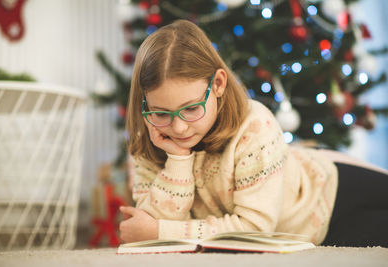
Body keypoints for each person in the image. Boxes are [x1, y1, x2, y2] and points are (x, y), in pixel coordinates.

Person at [119, 19, 388, 247]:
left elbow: (255, 230)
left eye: (190, 109)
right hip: (309, 220)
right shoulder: (151, 137)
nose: (177, 128)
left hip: (326, 195)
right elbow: (149, 233)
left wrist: (161, 232)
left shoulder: (254, 123)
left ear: (219, 85)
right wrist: (178, 160)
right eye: (162, 113)